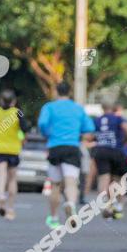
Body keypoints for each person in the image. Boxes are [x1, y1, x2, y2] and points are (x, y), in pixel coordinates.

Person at [38, 82, 95, 229]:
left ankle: (54, 218)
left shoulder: (49, 107)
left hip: (55, 147)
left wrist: (48, 134)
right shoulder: (78, 108)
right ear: (69, 92)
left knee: (55, 184)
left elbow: (42, 124)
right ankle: (70, 202)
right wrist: (77, 132)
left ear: (56, 91)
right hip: (72, 147)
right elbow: (89, 127)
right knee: (71, 182)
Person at [92, 102, 127, 219]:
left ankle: (106, 205)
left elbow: (89, 135)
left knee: (103, 179)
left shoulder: (97, 120)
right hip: (116, 150)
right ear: (114, 108)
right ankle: (118, 206)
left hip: (101, 150)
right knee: (118, 179)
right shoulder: (118, 119)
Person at [0, 90, 27, 220]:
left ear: (1, 101)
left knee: (1, 176)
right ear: (14, 101)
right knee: (12, 179)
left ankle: (1, 194)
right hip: (13, 149)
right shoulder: (17, 113)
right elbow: (24, 129)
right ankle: (10, 209)